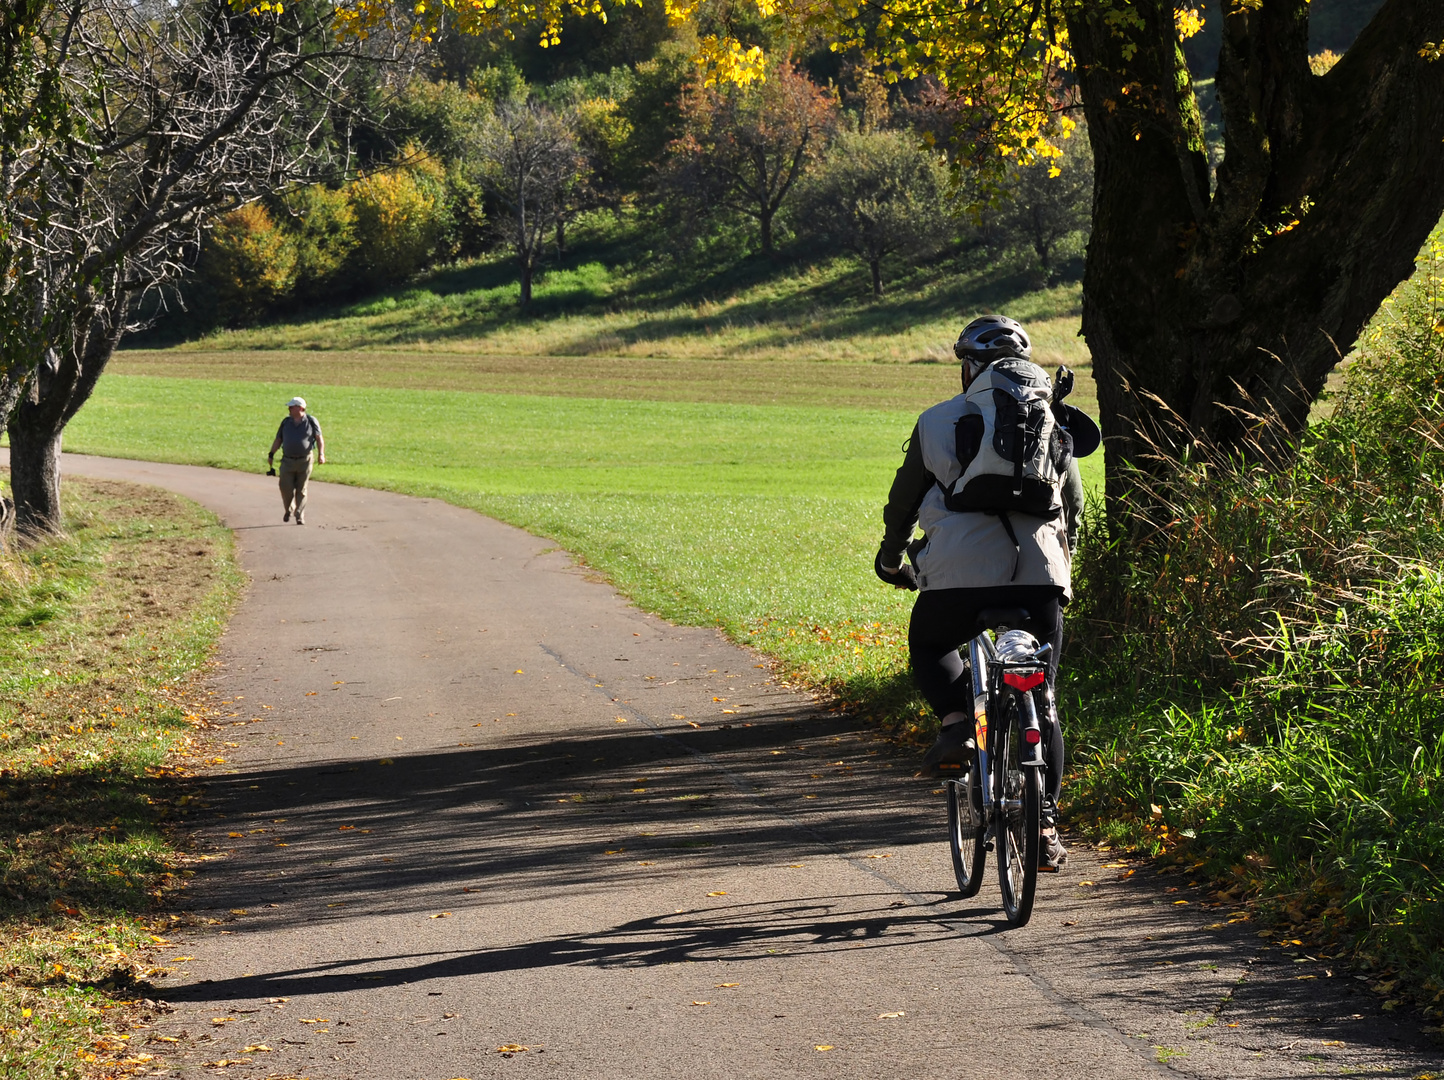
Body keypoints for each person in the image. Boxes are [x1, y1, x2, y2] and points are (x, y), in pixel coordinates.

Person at [874, 314, 1098, 872]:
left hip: (957, 576)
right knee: (1043, 696)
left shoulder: (937, 420)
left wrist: (891, 555)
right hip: (1042, 578)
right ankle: (1043, 825)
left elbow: (904, 503)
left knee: (930, 646)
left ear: (969, 366)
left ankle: (956, 728)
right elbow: (1073, 506)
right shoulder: (1053, 420)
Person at [267, 396, 325, 525]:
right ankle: (289, 509)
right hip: (287, 461)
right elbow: (278, 439)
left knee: (301, 488)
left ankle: (299, 514)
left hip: (305, 460)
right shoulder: (286, 422)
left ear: (300, 408)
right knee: (285, 487)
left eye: (292, 407)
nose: (289, 408)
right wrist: (271, 454)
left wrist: (321, 454)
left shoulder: (311, 421)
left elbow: (319, 438)